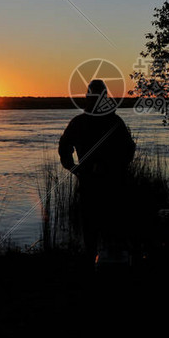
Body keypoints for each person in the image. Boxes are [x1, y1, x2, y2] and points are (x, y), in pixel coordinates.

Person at [58, 79, 136, 261]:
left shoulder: (97, 121)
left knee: (101, 228)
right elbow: (64, 148)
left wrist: (73, 168)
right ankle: (100, 264)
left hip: (109, 183)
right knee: (99, 229)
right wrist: (74, 168)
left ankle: (101, 263)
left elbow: (128, 149)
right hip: (100, 183)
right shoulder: (111, 121)